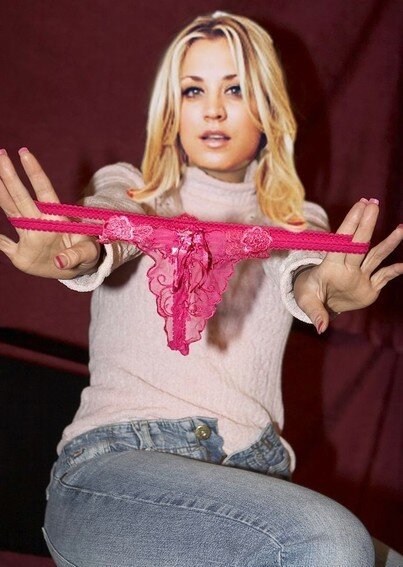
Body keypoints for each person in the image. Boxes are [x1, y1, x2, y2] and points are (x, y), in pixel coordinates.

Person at [0, 11, 401, 567]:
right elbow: (114, 227)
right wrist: (81, 252)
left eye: (235, 89)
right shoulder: (134, 188)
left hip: (256, 480)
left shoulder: (297, 220)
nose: (213, 109)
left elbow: (301, 267)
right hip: (116, 473)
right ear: (172, 109)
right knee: (331, 543)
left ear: (268, 108)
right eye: (194, 90)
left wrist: (320, 286)